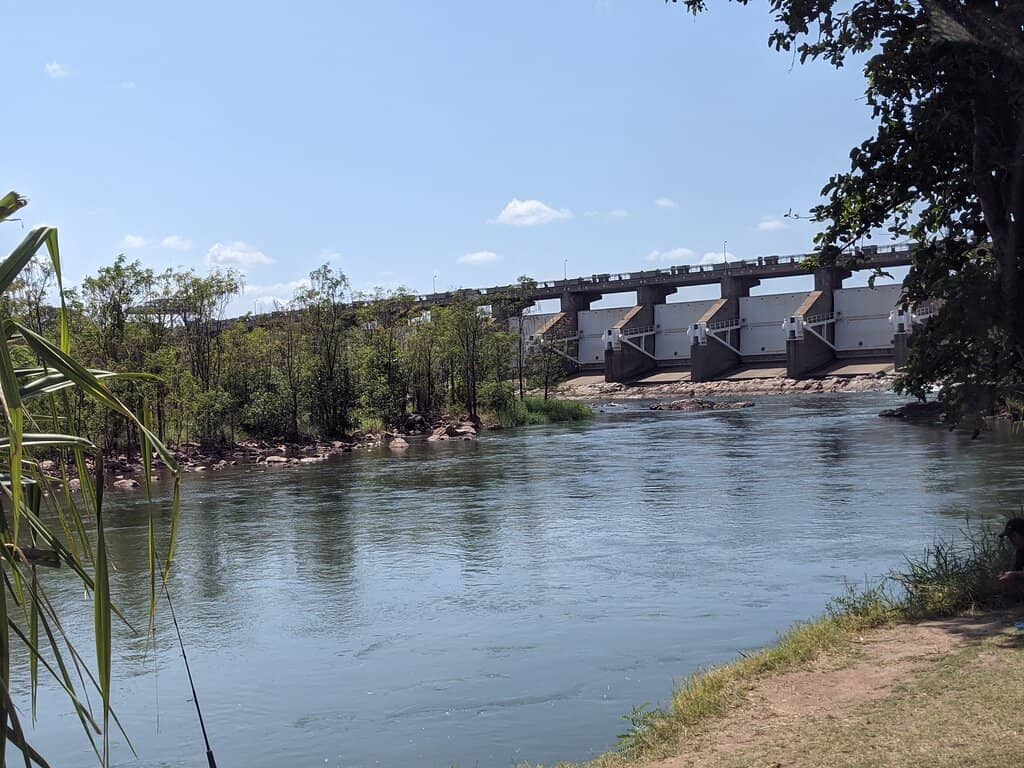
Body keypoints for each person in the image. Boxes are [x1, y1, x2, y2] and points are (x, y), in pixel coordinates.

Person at [997, 518, 1024, 588]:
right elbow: (1016, 570)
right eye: (1009, 537)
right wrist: (1006, 576)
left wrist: (1016, 575)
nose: (1011, 540)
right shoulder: (1020, 551)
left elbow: (1017, 574)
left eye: (1013, 536)